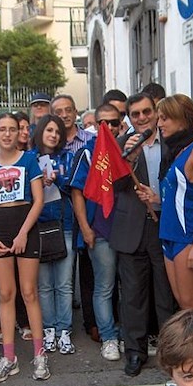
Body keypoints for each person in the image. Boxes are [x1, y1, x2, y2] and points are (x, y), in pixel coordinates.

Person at [0, 113, 49, 382]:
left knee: (29, 292)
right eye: (2, 130)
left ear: (19, 132)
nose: (7, 134)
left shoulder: (29, 159)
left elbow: (39, 200)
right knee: (6, 294)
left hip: (25, 227)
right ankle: (9, 357)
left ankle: (39, 354)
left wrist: (23, 234)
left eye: (12, 129)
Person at [111, 94, 175, 377]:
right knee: (133, 296)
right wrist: (129, 159)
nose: (141, 118)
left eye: (145, 111)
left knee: (165, 294)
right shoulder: (122, 145)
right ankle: (135, 353)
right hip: (132, 228)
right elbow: (114, 185)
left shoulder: (172, 142)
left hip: (165, 225)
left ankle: (170, 352)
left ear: (155, 112)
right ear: (129, 117)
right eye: (134, 114)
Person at [69, 105, 121, 362]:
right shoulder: (87, 154)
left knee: (130, 288)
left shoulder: (128, 151)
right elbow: (76, 192)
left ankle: (128, 334)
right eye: (104, 123)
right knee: (104, 287)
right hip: (99, 232)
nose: (109, 128)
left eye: (114, 123)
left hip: (128, 231)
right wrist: (85, 228)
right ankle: (108, 336)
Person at [155, 94, 193, 309]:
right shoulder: (176, 151)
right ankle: (191, 344)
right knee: (183, 303)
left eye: (165, 118)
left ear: (181, 119)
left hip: (187, 236)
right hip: (169, 234)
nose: (159, 124)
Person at [28, 114, 76, 354]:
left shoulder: (67, 157)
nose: (54, 135)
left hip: (64, 225)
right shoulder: (28, 159)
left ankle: (64, 330)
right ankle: (48, 330)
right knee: (44, 285)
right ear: (40, 132)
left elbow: (76, 188)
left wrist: (60, 180)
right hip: (37, 228)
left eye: (57, 131)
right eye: (49, 130)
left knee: (64, 284)